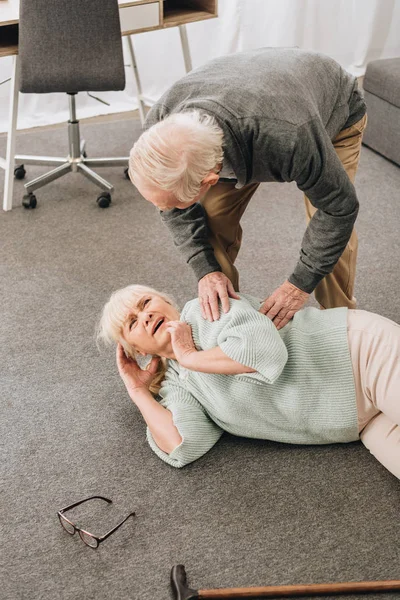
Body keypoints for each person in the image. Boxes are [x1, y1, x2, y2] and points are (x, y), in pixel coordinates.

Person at [128, 47, 368, 330]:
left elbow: (338, 209)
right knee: (210, 224)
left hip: (330, 111)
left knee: (330, 228)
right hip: (240, 112)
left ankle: (343, 326)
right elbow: (174, 210)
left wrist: (298, 286)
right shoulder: (159, 131)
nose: (165, 211)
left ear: (209, 180)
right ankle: (230, 324)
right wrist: (207, 270)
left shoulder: (289, 137)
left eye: (171, 204)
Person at [97, 285, 400, 478]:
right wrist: (138, 392)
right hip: (361, 423)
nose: (146, 315)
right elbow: (183, 445)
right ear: (135, 351)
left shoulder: (206, 310)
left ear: (166, 302)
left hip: (361, 355)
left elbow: (265, 353)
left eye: (146, 302)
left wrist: (190, 356)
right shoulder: (177, 382)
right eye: (133, 322)